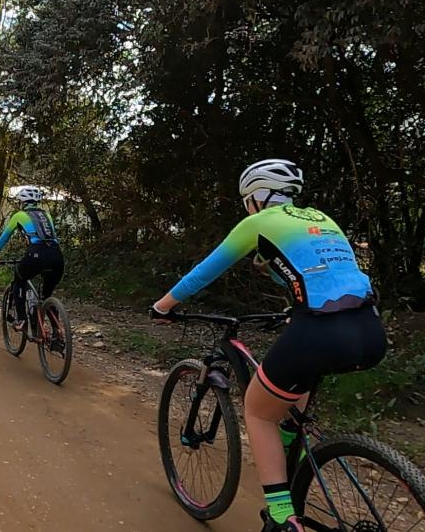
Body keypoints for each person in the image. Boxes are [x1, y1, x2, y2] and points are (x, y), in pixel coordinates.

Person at [150, 159, 387, 532]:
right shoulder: (322, 219)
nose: (248, 208)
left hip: (319, 331)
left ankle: (280, 516)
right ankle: (291, 463)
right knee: (291, 398)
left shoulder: (257, 223)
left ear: (257, 197)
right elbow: (323, 275)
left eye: (247, 201)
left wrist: (163, 306)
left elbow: (202, 273)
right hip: (370, 330)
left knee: (259, 412)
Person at [0, 186, 65, 334]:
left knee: (19, 279)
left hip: (36, 254)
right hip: (57, 255)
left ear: (22, 202)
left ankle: (21, 319)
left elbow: (3, 239)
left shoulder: (19, 215)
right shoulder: (46, 215)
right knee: (46, 295)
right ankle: (57, 331)